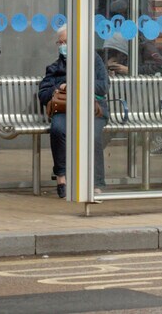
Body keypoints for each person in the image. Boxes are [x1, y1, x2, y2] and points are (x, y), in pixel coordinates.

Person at [37, 24, 107, 200]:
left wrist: (78, 85)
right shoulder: (54, 67)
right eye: (59, 42)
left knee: (92, 134)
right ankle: (62, 177)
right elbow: (43, 94)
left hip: (92, 109)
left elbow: (103, 86)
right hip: (65, 109)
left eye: (66, 42)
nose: (62, 46)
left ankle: (95, 182)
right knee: (58, 129)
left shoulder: (93, 60)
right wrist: (59, 87)